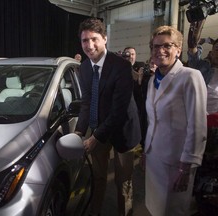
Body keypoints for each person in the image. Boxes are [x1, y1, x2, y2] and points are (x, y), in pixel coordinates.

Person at [74, 18, 136, 216]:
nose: (89, 45)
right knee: (98, 177)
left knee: (122, 182)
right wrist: (79, 131)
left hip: (123, 131)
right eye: (85, 41)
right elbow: (86, 103)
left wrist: (94, 138)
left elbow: (119, 111)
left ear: (105, 39)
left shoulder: (121, 67)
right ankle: (95, 212)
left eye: (94, 39)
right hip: (99, 129)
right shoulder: (83, 68)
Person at [144, 25, 207, 216]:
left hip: (176, 163)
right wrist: (146, 151)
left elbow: (197, 127)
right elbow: (152, 120)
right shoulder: (153, 80)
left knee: (172, 211)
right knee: (155, 208)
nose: (159, 50)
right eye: (155, 46)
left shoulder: (190, 77)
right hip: (154, 158)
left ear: (178, 50)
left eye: (167, 46)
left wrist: (186, 167)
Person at [187, 19, 218, 114]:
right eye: (217, 49)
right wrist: (199, 22)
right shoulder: (201, 66)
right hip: (198, 116)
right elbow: (193, 47)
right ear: (211, 52)